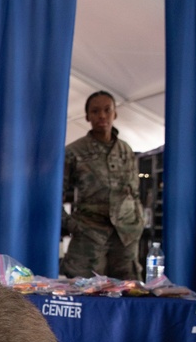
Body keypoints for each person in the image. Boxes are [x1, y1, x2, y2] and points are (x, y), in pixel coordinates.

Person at [61, 90, 144, 279]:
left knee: (128, 291)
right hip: (90, 236)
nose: (102, 116)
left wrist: (138, 221)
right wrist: (72, 226)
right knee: (83, 291)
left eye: (107, 110)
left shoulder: (126, 150)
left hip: (125, 236)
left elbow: (135, 192)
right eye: (95, 111)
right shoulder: (74, 152)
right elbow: (55, 195)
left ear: (115, 113)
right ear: (87, 116)